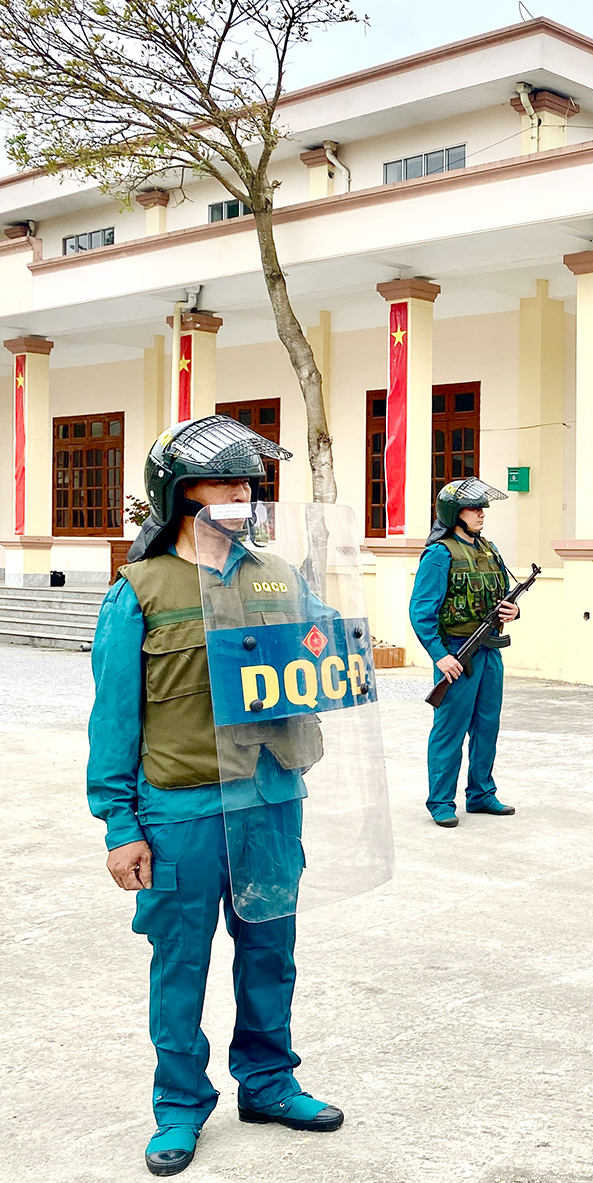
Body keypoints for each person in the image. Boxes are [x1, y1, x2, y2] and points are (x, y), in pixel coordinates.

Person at [87, 417, 344, 1178]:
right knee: (181, 964)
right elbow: (113, 720)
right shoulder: (140, 590)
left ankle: (268, 1081)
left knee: (270, 951)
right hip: (181, 809)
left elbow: (318, 661)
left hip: (268, 800)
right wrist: (119, 823)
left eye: (249, 483)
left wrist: (340, 654)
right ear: (177, 493)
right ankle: (178, 1105)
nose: (242, 493)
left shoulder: (278, 575)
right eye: (225, 481)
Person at [409, 478, 521, 827]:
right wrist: (439, 655)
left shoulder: (490, 550)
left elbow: (502, 595)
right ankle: (441, 801)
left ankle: (482, 794)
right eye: (474, 507)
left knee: (487, 726)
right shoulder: (440, 554)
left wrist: (513, 612)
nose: (481, 512)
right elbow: (421, 611)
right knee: (450, 729)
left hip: (489, 650)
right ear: (454, 513)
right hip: (457, 654)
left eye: (482, 507)